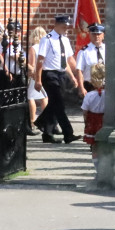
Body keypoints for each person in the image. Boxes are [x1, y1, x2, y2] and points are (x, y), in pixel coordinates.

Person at [33, 14, 80, 144]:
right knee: (59, 104)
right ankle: (68, 134)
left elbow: (68, 60)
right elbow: (40, 61)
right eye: (64, 26)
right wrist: (38, 79)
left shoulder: (65, 40)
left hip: (62, 74)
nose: (66, 28)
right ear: (57, 24)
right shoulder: (47, 40)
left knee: (55, 103)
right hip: (49, 74)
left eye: (67, 26)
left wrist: (74, 76)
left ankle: (45, 129)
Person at [81, 63, 106, 181]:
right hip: (105, 120)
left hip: (93, 122)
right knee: (105, 146)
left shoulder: (89, 95)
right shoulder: (108, 94)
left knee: (95, 147)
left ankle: (99, 170)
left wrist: (86, 122)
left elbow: (85, 111)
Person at [26, 26, 49, 136]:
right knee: (44, 97)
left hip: (35, 74)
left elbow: (32, 63)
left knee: (31, 97)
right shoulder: (45, 47)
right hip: (45, 73)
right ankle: (46, 119)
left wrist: (31, 73)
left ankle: (32, 120)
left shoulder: (33, 48)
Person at [75, 23, 106, 95]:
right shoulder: (84, 52)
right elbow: (79, 71)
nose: (96, 36)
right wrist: (81, 88)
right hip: (90, 87)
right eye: (94, 34)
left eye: (99, 34)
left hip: (107, 86)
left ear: (103, 35)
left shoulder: (108, 49)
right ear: (90, 35)